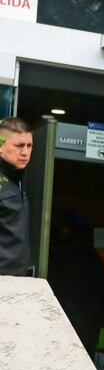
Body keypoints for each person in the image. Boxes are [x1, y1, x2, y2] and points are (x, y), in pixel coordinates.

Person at [0, 117, 33, 277]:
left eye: (29, 146)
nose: (25, 152)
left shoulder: (17, 179)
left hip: (15, 280)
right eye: (19, 145)